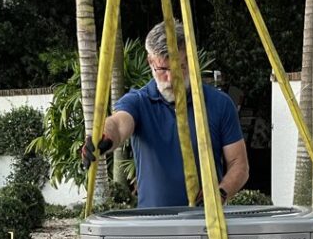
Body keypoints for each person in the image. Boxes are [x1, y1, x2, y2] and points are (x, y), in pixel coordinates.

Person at [83, 21, 249, 208]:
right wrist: (102, 137)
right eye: (162, 69)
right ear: (150, 62)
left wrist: (220, 193)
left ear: (191, 60)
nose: (170, 79)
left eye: (179, 68)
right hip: (152, 227)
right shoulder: (138, 101)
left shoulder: (220, 104)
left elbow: (239, 164)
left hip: (205, 224)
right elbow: (118, 124)